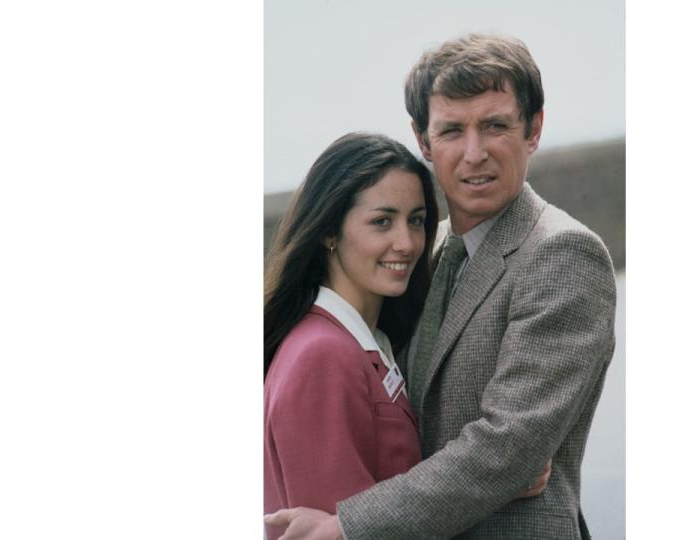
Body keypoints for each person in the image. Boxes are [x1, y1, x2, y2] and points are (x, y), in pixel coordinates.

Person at [267, 33, 616, 539]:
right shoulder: (426, 254)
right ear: (424, 141)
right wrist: (498, 473)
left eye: (495, 125)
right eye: (452, 130)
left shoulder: (561, 255)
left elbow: (507, 447)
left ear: (534, 129)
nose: (474, 153)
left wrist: (348, 527)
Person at [263, 132, 550, 540]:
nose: (407, 243)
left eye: (416, 220)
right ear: (329, 232)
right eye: (382, 222)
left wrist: (500, 479)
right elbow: (341, 527)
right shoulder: (321, 354)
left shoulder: (371, 343)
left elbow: (390, 497)